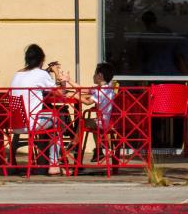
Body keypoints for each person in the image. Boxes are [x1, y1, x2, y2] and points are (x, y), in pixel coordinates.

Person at [10, 44, 66, 175]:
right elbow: (61, 92)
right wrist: (58, 73)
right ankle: (54, 164)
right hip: (32, 123)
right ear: (41, 60)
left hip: (15, 123)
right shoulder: (40, 74)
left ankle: (36, 162)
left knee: (44, 119)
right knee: (58, 119)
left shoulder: (17, 74)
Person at [70, 62, 117, 163]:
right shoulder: (107, 88)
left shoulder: (102, 91)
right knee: (92, 123)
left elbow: (87, 102)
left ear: (100, 76)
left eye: (95, 73)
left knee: (83, 121)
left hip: (103, 123)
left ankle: (74, 145)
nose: (93, 76)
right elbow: (82, 89)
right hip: (106, 121)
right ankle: (98, 151)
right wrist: (68, 80)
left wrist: (74, 95)